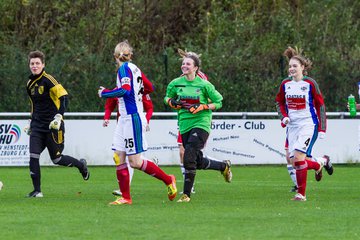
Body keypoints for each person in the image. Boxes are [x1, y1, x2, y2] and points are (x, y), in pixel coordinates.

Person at [98, 40, 177, 205]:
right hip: (125, 119)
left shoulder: (124, 69)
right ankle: (126, 198)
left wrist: (105, 93)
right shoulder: (135, 69)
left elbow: (125, 91)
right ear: (130, 55)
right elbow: (150, 87)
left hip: (132, 118)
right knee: (118, 156)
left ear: (115, 56)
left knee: (134, 162)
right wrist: (139, 94)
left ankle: (168, 179)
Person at [164, 51, 232, 203]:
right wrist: (171, 103)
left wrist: (203, 107)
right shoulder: (176, 83)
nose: (184, 66)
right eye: (183, 63)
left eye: (188, 64)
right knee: (195, 159)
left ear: (196, 68)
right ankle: (222, 166)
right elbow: (167, 97)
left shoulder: (204, 84)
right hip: (184, 124)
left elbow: (219, 101)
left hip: (201, 123)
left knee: (188, 156)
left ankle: (186, 195)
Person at [25, 50, 90, 198]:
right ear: (29, 65)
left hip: (52, 126)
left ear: (43, 65)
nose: (34, 66)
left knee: (57, 159)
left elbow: (64, 97)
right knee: (33, 156)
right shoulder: (29, 84)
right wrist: (31, 120)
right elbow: (34, 105)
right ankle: (37, 191)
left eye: (37, 63)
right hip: (37, 127)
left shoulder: (49, 80)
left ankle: (81, 165)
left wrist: (59, 116)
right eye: (32, 63)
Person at [275, 46, 333, 201]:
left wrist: (322, 128)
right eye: (290, 66)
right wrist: (284, 117)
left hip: (308, 125)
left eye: (295, 66)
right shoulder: (285, 84)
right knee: (295, 162)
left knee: (299, 158)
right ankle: (321, 162)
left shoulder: (310, 83)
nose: (291, 68)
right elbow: (279, 102)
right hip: (292, 127)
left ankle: (301, 194)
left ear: (302, 67)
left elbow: (320, 105)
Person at [102, 73, 155, 196]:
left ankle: (124, 189)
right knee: (120, 156)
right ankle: (125, 188)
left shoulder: (139, 91)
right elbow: (109, 106)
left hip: (135, 124)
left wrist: (147, 120)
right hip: (122, 126)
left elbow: (150, 108)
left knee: (131, 158)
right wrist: (106, 118)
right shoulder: (117, 91)